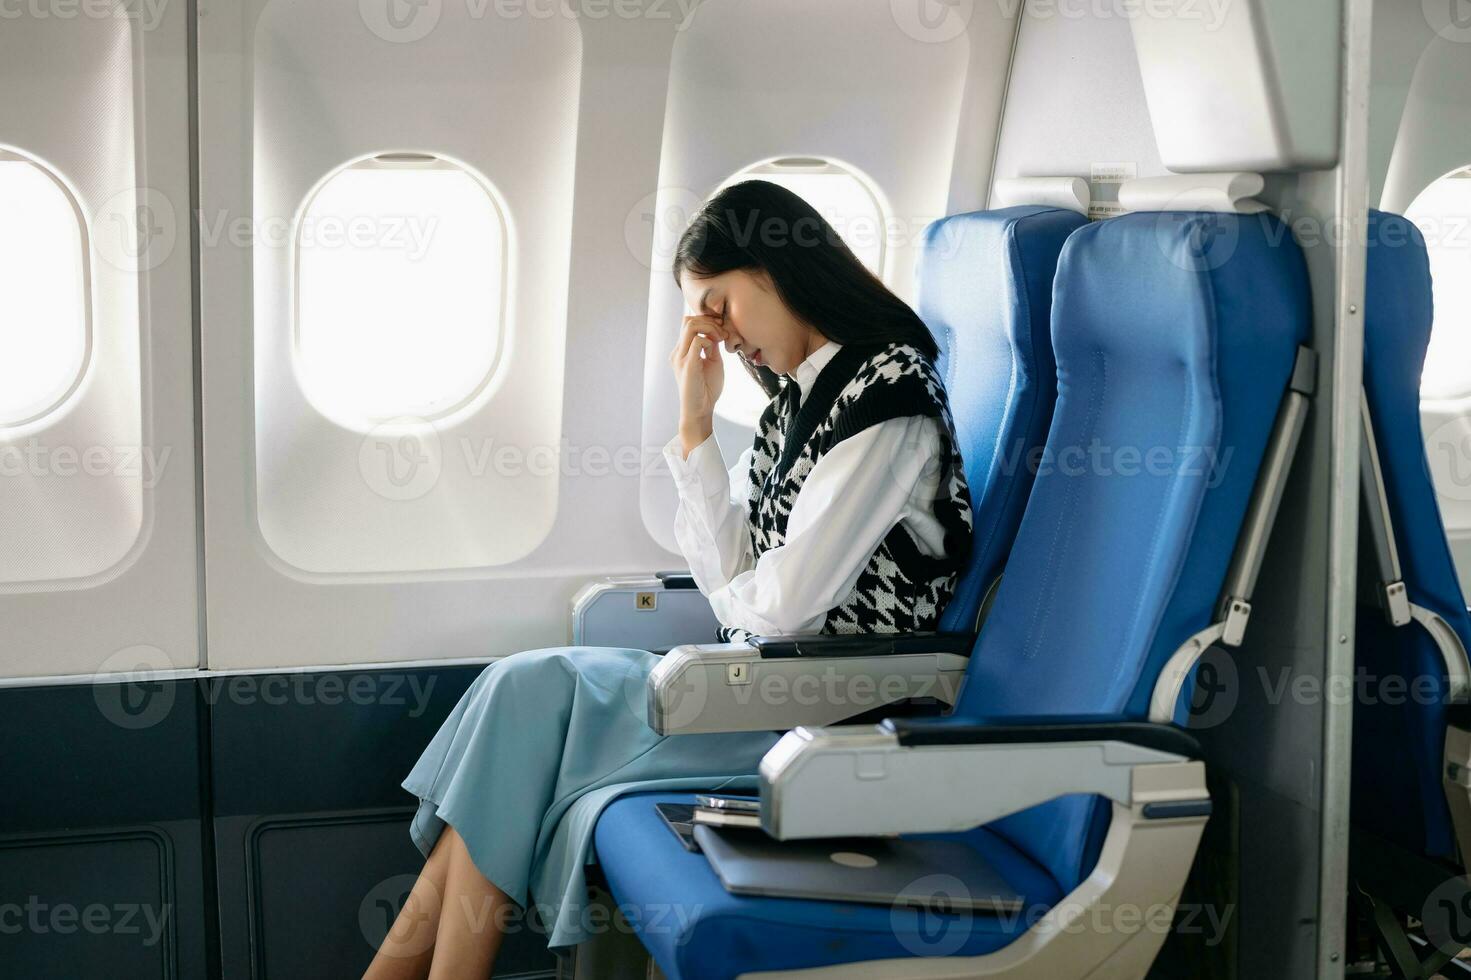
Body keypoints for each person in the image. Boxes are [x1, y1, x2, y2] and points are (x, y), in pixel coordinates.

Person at [362, 179, 974, 979]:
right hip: (769, 682)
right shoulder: (799, 396)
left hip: (836, 707)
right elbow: (741, 588)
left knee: (526, 697)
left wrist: (737, 607)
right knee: (520, 691)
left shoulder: (887, 399)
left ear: (776, 267)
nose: (717, 337)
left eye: (718, 306)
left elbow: (779, 610)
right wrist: (694, 426)